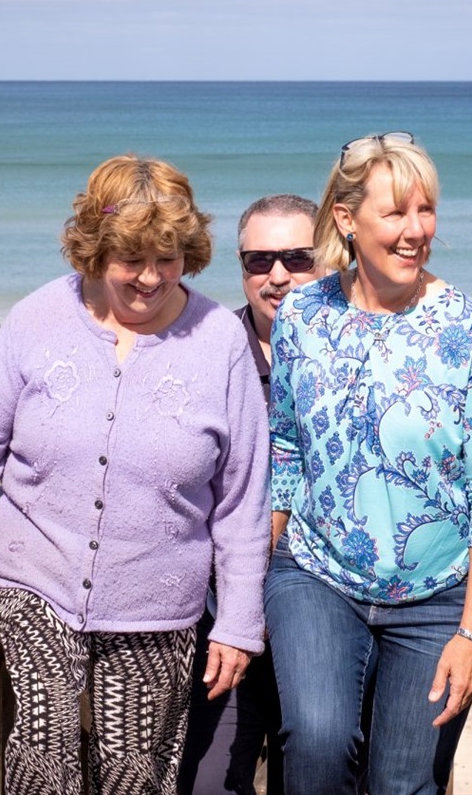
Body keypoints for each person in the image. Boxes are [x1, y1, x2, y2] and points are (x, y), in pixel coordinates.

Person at [0, 155, 270, 795]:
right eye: (132, 259)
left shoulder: (219, 341)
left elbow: (241, 501)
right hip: (34, 581)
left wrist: (238, 622)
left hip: (158, 603)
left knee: (136, 773)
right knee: (44, 756)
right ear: (95, 251)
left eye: (170, 257)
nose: (151, 278)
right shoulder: (37, 318)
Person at [264, 132, 472, 794]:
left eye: (426, 210)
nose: (416, 231)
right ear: (347, 220)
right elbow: (285, 443)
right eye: (396, 213)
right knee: (316, 743)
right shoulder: (301, 315)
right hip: (316, 577)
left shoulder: (471, 330)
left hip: (438, 598)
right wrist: (252, 564)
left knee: (403, 784)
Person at [179, 193, 321, 795]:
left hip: (323, 623)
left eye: (297, 256)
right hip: (222, 621)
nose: (278, 275)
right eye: (259, 260)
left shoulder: (359, 353)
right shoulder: (208, 348)